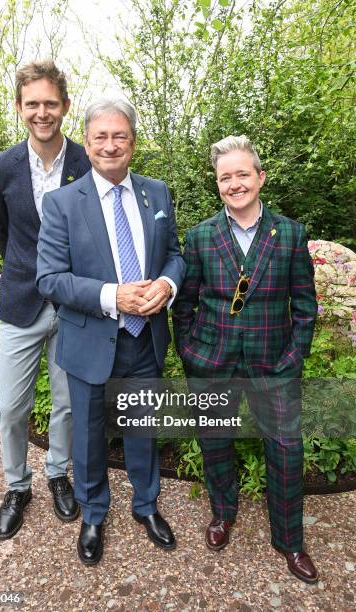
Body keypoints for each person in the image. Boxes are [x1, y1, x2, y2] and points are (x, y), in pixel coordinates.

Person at [36, 98, 185, 565]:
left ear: (133, 142)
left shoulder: (157, 194)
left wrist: (166, 282)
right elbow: (49, 279)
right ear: (87, 141)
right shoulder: (62, 203)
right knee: (89, 434)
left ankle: (146, 505)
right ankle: (94, 513)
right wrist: (111, 296)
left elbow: (176, 254)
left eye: (119, 135)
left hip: (146, 338)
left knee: (143, 428)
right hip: (90, 341)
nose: (110, 145)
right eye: (100, 136)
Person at [172, 135, 319, 583]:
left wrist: (293, 358)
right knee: (215, 444)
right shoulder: (199, 236)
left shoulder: (290, 233)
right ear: (217, 184)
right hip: (212, 361)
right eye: (224, 177)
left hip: (273, 363)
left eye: (242, 174)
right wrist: (190, 352)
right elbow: (186, 303)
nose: (234, 184)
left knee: (286, 451)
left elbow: (305, 306)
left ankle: (290, 541)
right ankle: (223, 513)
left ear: (260, 177)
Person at [0, 59, 91, 540]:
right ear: (19, 107)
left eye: (51, 103)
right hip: (21, 302)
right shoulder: (0, 166)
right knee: (10, 404)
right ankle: (16, 486)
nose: (42, 112)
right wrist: (30, 273)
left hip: (73, 304)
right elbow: (2, 235)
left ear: (65, 106)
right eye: (33, 104)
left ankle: (57, 475)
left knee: (67, 403)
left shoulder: (86, 163)